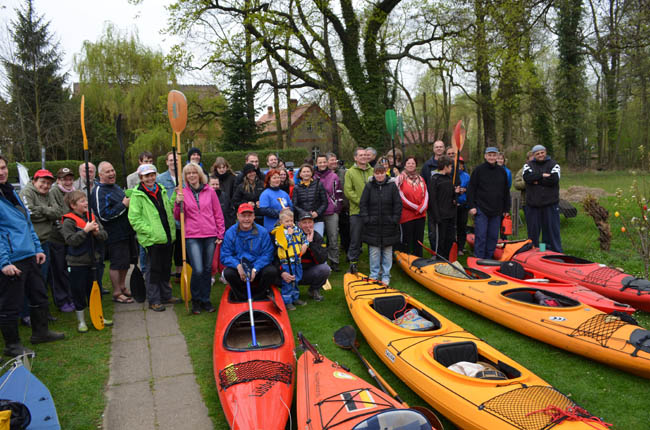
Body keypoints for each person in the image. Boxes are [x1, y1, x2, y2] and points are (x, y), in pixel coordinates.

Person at [0, 155, 64, 357]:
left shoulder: (10, 191)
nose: (1, 171)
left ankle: (41, 332)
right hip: (12, 259)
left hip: (30, 254)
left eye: (3, 167)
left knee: (39, 295)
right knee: (11, 304)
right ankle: (12, 345)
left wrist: (36, 247)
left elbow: (27, 223)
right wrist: (3, 262)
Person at [175, 163, 225, 314]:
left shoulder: (209, 191)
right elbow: (177, 217)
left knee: (208, 269)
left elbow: (218, 213)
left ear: (199, 174)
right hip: (192, 236)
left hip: (210, 234)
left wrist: (220, 233)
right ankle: (196, 300)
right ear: (185, 176)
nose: (191, 175)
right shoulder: (182, 193)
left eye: (194, 173)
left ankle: (206, 300)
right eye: (188, 173)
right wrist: (178, 203)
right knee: (197, 269)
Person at [128, 164, 179, 312]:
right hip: (153, 240)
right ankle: (154, 299)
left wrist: (175, 196)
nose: (150, 178)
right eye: (146, 176)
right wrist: (151, 232)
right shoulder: (138, 194)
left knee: (165, 268)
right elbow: (134, 219)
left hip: (167, 236)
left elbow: (168, 209)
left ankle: (166, 295)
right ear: (141, 178)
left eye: (152, 175)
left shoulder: (160, 189)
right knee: (154, 271)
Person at [61, 190, 110, 332]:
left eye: (86, 200)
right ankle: (81, 321)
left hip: (94, 262)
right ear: (73, 205)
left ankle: (98, 315)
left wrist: (96, 233)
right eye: (82, 201)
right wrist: (85, 231)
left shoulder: (91, 217)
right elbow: (71, 240)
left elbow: (104, 235)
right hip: (77, 263)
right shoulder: (68, 221)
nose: (86, 203)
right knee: (78, 291)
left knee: (96, 290)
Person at [19, 169, 61, 323]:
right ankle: (26, 314)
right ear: (34, 181)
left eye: (49, 183)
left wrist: (43, 211)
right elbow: (29, 214)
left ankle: (42, 312)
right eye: (42, 182)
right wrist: (47, 211)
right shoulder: (26, 193)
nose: (45, 186)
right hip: (30, 245)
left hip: (45, 242)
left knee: (42, 280)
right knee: (29, 280)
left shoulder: (49, 194)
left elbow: (58, 212)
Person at [92, 162, 135, 304]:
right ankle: (116, 292)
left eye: (112, 170)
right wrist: (123, 205)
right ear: (100, 175)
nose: (112, 174)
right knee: (117, 263)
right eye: (107, 172)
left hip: (125, 231)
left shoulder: (115, 187)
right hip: (113, 234)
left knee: (125, 262)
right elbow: (103, 215)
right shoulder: (99, 191)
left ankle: (123, 286)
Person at [220, 203, 278, 302]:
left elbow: (268, 254)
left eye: (249, 216)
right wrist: (238, 266)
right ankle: (241, 297)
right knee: (228, 273)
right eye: (243, 216)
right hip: (239, 269)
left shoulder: (262, 232)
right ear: (238, 216)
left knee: (271, 271)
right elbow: (225, 255)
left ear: (254, 216)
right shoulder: (230, 233)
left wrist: (255, 269)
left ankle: (259, 296)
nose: (246, 219)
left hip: (257, 268)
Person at [359, 165, 401, 285]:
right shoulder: (369, 186)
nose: (379, 175)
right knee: (374, 252)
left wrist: (394, 219)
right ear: (374, 174)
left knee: (387, 252)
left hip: (389, 225)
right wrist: (366, 219)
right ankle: (374, 275)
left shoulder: (392, 186)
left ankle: (386, 275)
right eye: (377, 173)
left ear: (385, 173)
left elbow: (397, 205)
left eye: (381, 173)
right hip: (373, 225)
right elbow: (363, 204)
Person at [467, 147, 511, 259]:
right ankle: (478, 259)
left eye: (494, 155)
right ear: (485, 156)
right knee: (481, 236)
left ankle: (489, 258)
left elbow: (506, 191)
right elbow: (471, 189)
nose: (491, 157)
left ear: (497, 156)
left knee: (492, 237)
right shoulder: (478, 170)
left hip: (497, 210)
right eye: (489, 155)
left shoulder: (502, 171)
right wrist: (472, 206)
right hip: (481, 208)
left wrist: (506, 208)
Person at [523, 144, 563, 252]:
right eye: (537, 153)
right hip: (533, 205)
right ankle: (534, 253)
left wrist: (536, 180)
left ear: (545, 152)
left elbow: (554, 180)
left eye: (542, 152)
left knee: (550, 231)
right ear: (534, 155)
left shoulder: (554, 164)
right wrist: (543, 175)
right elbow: (527, 178)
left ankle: (551, 252)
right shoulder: (528, 165)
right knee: (533, 232)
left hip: (550, 204)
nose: (540, 155)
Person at [49, 168, 75, 311]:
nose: (68, 182)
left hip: (71, 238)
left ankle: (71, 296)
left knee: (69, 269)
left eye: (70, 179)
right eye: (64, 179)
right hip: (58, 238)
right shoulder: (54, 192)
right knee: (59, 270)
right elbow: (57, 215)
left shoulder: (73, 192)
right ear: (58, 180)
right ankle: (61, 300)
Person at [271, 209, 308, 309]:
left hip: (297, 260)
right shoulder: (279, 232)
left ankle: (295, 297)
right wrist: (289, 235)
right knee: (288, 281)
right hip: (287, 262)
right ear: (281, 222)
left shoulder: (297, 229)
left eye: (291, 221)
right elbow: (282, 244)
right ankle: (287, 301)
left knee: (296, 279)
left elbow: (304, 239)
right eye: (287, 221)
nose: (290, 223)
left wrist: (305, 244)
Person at [344, 148, 373, 273]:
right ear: (355, 158)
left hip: (372, 211)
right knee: (355, 238)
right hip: (357, 211)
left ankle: (374, 262)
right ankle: (353, 262)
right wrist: (362, 202)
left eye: (365, 155)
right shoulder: (350, 172)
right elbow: (348, 191)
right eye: (360, 155)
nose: (363, 157)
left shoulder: (373, 170)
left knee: (373, 238)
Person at [314, 154, 343, 271]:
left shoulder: (334, 176)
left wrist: (337, 208)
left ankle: (334, 261)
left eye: (323, 162)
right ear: (316, 163)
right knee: (318, 238)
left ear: (327, 163)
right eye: (319, 162)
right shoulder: (313, 176)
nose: (322, 164)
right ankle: (319, 261)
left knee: (333, 237)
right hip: (317, 212)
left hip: (331, 211)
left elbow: (339, 194)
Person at [157, 151, 182, 283]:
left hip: (181, 218)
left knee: (180, 247)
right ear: (167, 162)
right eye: (171, 160)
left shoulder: (184, 176)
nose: (174, 162)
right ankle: (165, 275)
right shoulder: (160, 178)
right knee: (168, 249)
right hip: (168, 218)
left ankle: (179, 272)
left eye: (176, 160)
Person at [397, 156, 428, 257]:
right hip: (407, 215)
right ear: (405, 165)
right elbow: (400, 195)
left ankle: (418, 257)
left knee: (419, 238)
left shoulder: (421, 179)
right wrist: (416, 208)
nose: (411, 165)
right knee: (407, 238)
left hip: (420, 214)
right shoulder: (400, 178)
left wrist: (422, 207)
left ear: (416, 165)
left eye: (413, 163)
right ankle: (406, 257)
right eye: (408, 163)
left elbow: (426, 194)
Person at [427, 156, 456, 260]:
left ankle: (446, 258)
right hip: (440, 216)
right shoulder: (435, 179)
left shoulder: (449, 178)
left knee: (450, 238)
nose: (452, 168)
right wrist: (436, 216)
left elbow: (450, 195)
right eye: (450, 166)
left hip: (450, 215)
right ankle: (439, 259)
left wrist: (455, 194)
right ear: (445, 167)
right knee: (441, 240)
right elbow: (432, 199)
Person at [292, 164, 327, 236]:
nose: (306, 173)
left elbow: (325, 202)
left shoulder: (319, 185)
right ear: (300, 174)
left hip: (317, 219)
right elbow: (295, 205)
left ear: (312, 173)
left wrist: (317, 213)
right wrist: (305, 214)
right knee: (303, 243)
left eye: (308, 171)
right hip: (302, 220)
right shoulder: (296, 188)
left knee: (318, 240)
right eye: (304, 172)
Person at [328, 153, 350, 255]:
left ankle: (347, 252)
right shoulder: (324, 174)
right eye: (331, 160)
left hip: (343, 206)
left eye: (335, 160)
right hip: (330, 208)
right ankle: (331, 253)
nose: (334, 162)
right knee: (331, 233)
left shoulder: (344, 172)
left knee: (345, 231)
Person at [454, 157, 470, 255]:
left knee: (462, 227)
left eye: (461, 164)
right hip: (453, 205)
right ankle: (452, 246)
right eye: (457, 164)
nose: (459, 166)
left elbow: (471, 189)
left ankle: (461, 247)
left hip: (463, 205)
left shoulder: (467, 176)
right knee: (453, 227)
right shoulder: (451, 175)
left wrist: (465, 190)